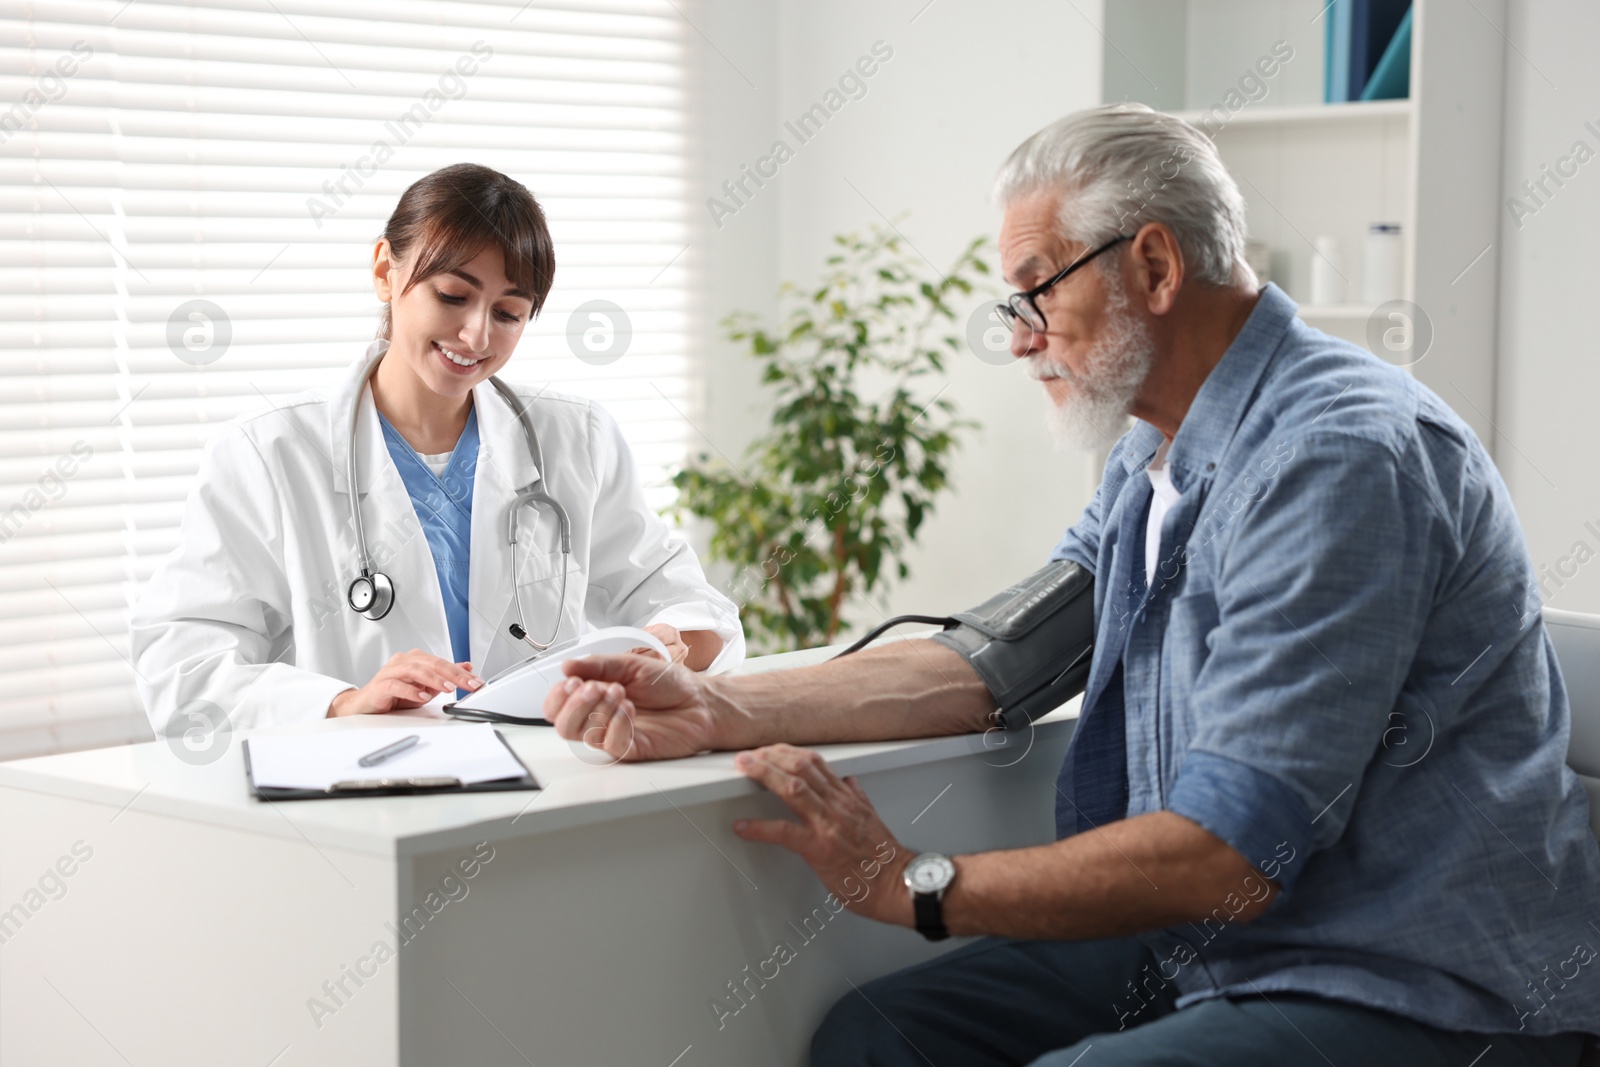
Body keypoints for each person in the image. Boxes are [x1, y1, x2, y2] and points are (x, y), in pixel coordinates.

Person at [541, 106, 1600, 1066]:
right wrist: (718, 704)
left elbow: (1233, 849)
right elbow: (998, 658)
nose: (1015, 337)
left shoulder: (1337, 455)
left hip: (1413, 980)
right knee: (881, 1037)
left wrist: (916, 882)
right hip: (1222, 949)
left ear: (1151, 265)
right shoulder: (1152, 452)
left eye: (1036, 289)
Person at [132, 163, 743, 734]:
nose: (476, 334)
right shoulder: (271, 453)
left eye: (508, 312)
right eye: (453, 296)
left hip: (547, 776)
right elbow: (182, 663)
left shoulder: (574, 439)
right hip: (368, 791)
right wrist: (342, 703)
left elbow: (691, 604)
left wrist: (670, 644)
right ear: (384, 272)